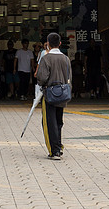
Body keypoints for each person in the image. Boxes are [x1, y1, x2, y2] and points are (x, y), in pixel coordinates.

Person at [35, 32, 72, 160]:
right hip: (63, 93)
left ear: (48, 44)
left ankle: (54, 151)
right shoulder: (66, 59)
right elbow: (69, 77)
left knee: (49, 122)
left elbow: (41, 78)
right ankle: (59, 147)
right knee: (58, 121)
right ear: (60, 44)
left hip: (50, 94)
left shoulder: (46, 58)